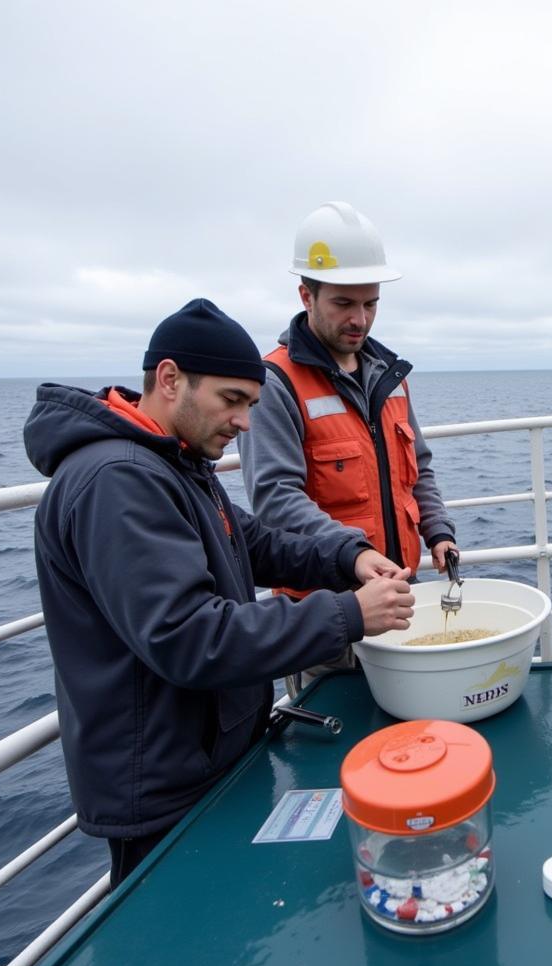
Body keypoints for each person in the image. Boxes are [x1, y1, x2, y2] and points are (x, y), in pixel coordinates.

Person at [24, 298, 415, 888]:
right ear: (170, 379)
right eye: (231, 401)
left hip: (207, 761)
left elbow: (252, 541)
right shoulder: (117, 481)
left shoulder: (170, 461)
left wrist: (349, 556)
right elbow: (189, 637)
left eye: (251, 405)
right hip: (162, 787)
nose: (244, 423)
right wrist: (347, 615)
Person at [238, 201, 457, 599]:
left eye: (370, 304)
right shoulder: (275, 383)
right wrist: (353, 554)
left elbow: (419, 469)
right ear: (307, 296)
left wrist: (438, 530)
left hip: (400, 589)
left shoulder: (390, 377)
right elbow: (276, 497)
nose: (360, 319)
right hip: (326, 605)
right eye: (343, 304)